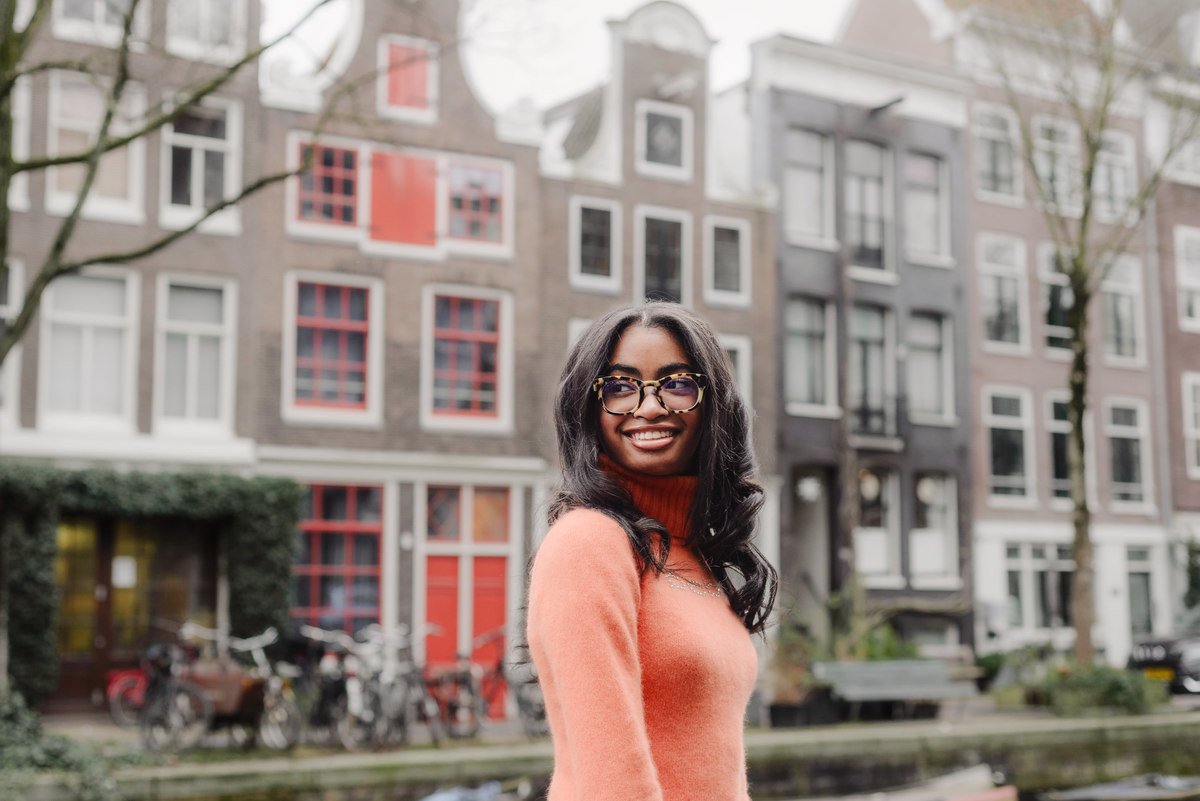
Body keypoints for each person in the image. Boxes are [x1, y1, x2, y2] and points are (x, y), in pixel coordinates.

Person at [526, 302, 777, 801]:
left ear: (712, 405)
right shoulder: (589, 543)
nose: (648, 407)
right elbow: (613, 784)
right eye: (619, 387)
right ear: (589, 409)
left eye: (677, 384)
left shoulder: (690, 550)